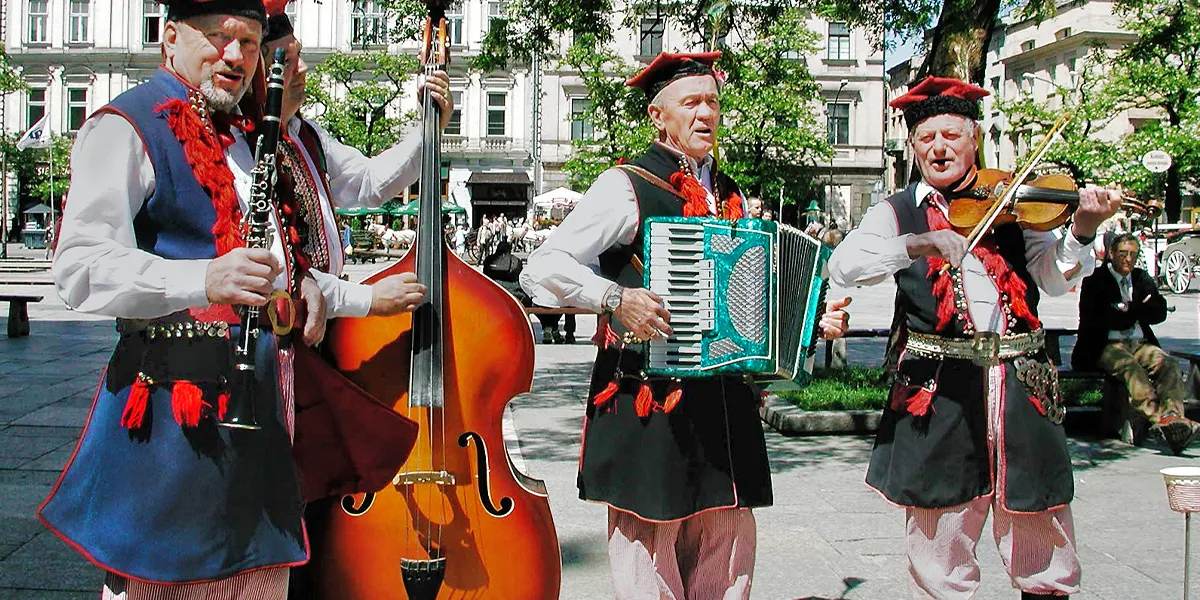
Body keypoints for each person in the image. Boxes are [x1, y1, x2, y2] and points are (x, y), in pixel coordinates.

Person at [41, 0, 352, 595]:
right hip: (169, 430)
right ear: (171, 39)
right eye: (218, 37)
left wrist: (301, 284)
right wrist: (201, 280)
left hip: (257, 423)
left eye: (251, 43)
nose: (236, 57)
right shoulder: (123, 125)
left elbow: (265, 265)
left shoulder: (244, 140)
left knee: (255, 583)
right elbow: (79, 268)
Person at [521, 51, 851, 599]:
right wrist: (614, 296)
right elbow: (542, 269)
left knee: (728, 541)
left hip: (723, 406)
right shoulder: (625, 185)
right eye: (691, 103)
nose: (706, 114)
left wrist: (812, 322)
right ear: (659, 116)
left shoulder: (732, 194)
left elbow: (752, 298)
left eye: (714, 104)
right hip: (649, 396)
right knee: (650, 541)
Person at [828, 76, 1121, 600]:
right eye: (926, 138)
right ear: (912, 146)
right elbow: (845, 266)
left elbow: (1053, 279)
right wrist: (918, 243)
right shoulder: (897, 211)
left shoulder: (1015, 202)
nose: (939, 148)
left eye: (951, 135)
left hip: (1020, 381)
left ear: (975, 138)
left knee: (1039, 514)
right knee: (940, 527)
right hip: (938, 387)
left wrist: (1081, 231)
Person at [260, 5, 450, 308]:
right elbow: (276, 267)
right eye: (288, 60)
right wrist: (368, 299)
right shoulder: (248, 143)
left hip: (318, 328)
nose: (304, 67)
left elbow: (369, 182)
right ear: (259, 71)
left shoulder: (307, 136)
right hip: (283, 324)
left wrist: (429, 127)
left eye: (300, 55)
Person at [1072, 233, 1198, 454]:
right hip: (1105, 345)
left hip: (1138, 343)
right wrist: (1139, 310)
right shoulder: (1094, 280)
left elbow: (1159, 312)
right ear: (1111, 254)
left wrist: (1130, 309)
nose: (1128, 259)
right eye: (1123, 254)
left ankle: (1174, 417)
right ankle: (1161, 419)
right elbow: (1102, 319)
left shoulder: (1141, 278)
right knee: (1130, 368)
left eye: (1133, 254)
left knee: (1168, 364)